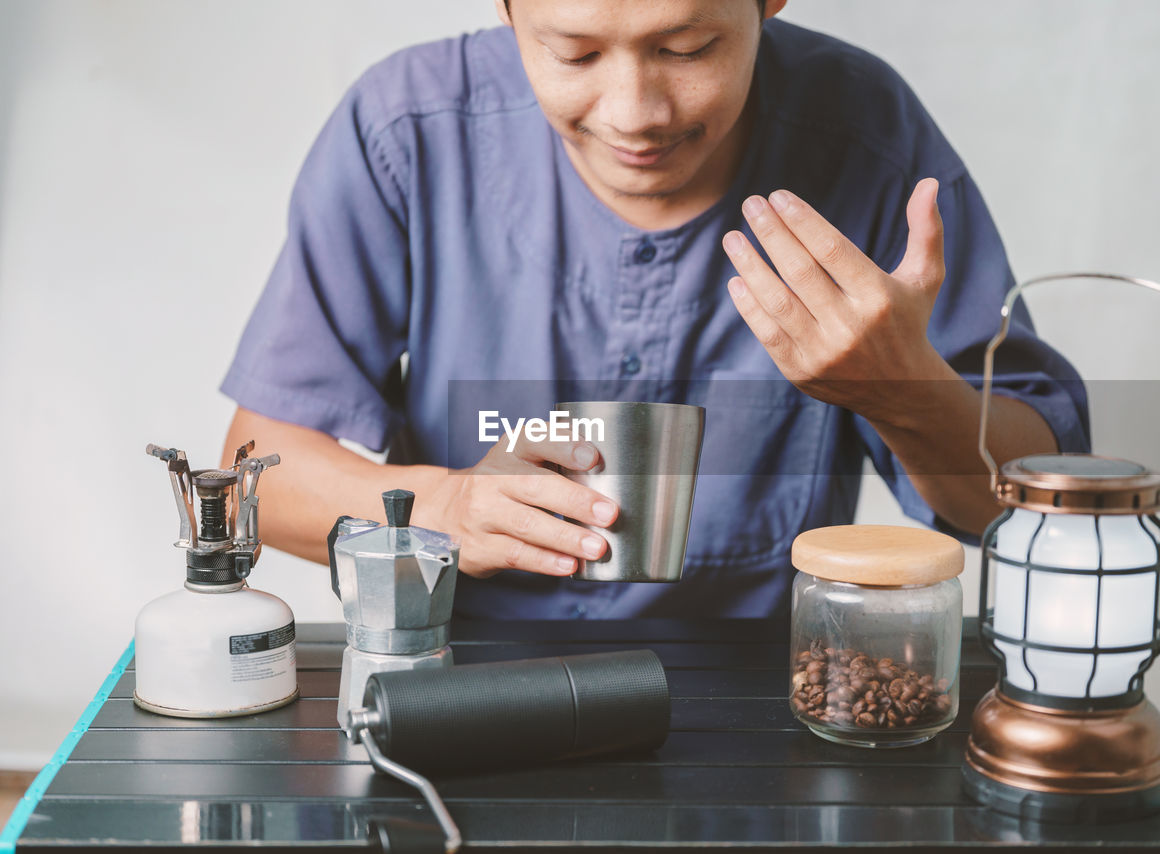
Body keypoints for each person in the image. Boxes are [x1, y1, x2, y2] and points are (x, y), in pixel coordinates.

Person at [220, 0, 1088, 619]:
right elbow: (264, 473)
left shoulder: (867, 135)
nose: (634, 115)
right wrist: (445, 509)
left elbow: (1019, 508)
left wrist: (906, 390)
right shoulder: (406, 127)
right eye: (575, 52)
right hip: (458, 686)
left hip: (754, 707)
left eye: (686, 47)